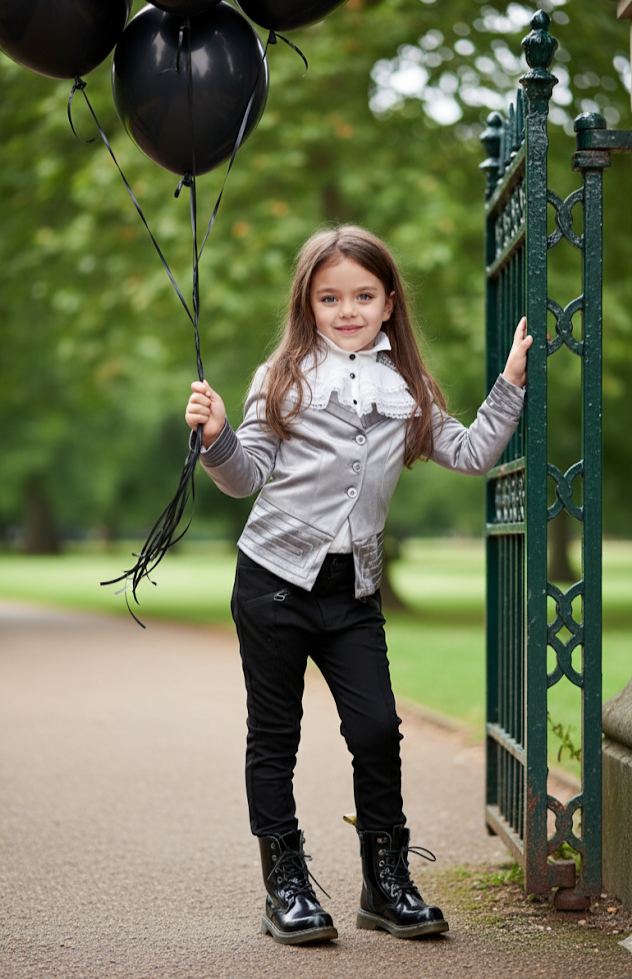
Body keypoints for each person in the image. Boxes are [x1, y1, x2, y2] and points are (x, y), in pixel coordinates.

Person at [185, 225, 531, 945]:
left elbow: (468, 452)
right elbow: (244, 477)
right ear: (308, 304)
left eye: (363, 295)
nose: (348, 309)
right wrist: (217, 435)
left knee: (376, 729)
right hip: (274, 583)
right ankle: (286, 887)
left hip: (354, 591)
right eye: (330, 296)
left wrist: (510, 385)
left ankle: (387, 880)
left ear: (389, 301)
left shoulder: (407, 387)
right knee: (275, 736)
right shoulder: (280, 377)